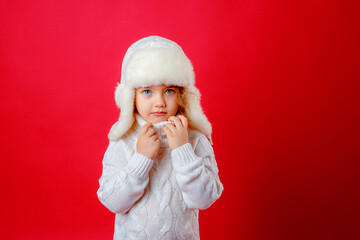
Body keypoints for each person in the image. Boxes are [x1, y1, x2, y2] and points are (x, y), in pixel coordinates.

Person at [97, 36, 223, 240]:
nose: (159, 102)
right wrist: (141, 159)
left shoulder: (195, 140)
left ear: (181, 94)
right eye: (147, 91)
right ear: (132, 97)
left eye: (169, 91)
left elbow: (204, 200)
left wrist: (183, 150)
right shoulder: (123, 142)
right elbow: (113, 202)